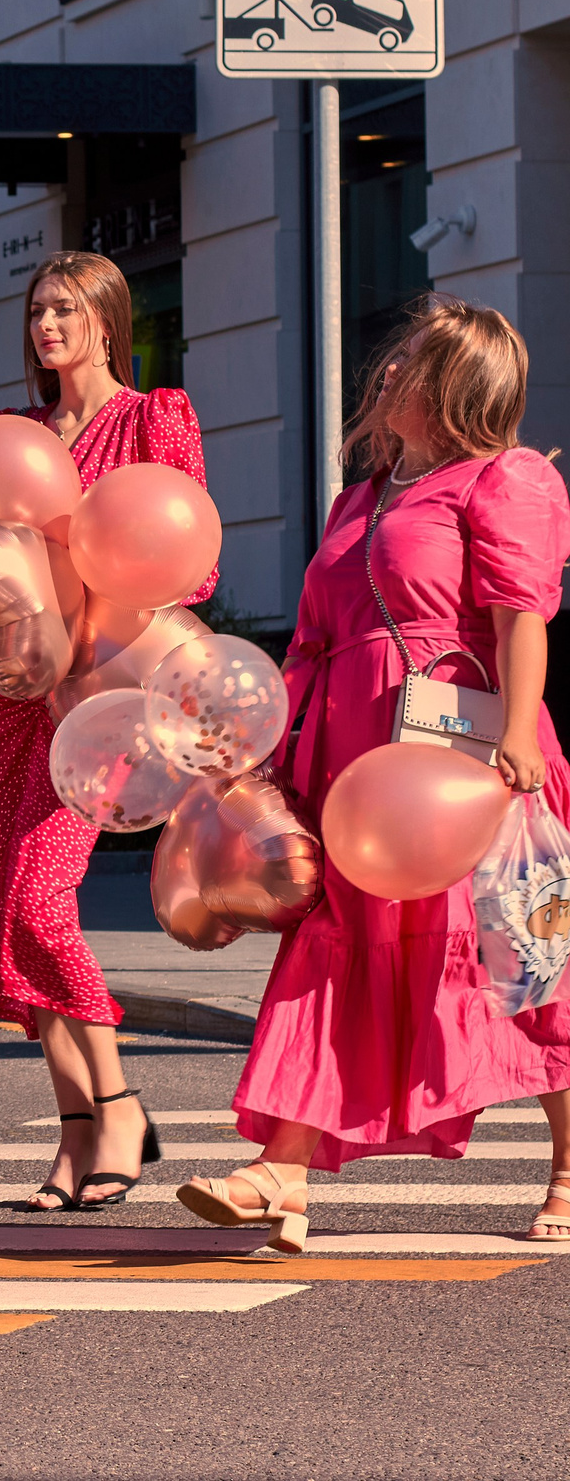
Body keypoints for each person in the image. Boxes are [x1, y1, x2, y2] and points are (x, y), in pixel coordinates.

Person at [181, 296, 570, 1250]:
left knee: (526, 959)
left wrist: (520, 732)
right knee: (333, 945)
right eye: (394, 358)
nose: (387, 371)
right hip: (355, 763)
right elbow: (315, 643)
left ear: (457, 387)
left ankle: (569, 1166)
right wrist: (268, 746)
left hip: (470, 762)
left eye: (413, 362)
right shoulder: (364, 498)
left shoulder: (503, 480)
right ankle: (283, 1171)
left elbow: (524, 613)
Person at [0, 251, 210, 1213]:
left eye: (65, 308)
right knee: (2, 920)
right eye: (35, 310)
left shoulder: (155, 417)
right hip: (9, 692)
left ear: (107, 320)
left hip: (103, 692)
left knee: (40, 898)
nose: (46, 325)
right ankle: (75, 1134)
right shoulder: (13, 435)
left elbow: (185, 558)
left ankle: (117, 1105)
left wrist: (94, 637)